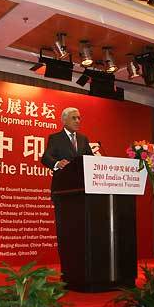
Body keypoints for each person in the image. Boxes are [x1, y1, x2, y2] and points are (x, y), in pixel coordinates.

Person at [41, 107, 93, 260]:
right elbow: (45, 158)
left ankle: (81, 260)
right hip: (63, 192)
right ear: (64, 120)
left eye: (79, 118)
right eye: (74, 118)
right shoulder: (55, 138)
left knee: (80, 230)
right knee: (65, 230)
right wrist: (57, 163)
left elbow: (90, 159)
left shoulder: (83, 139)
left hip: (82, 192)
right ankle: (67, 263)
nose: (78, 121)